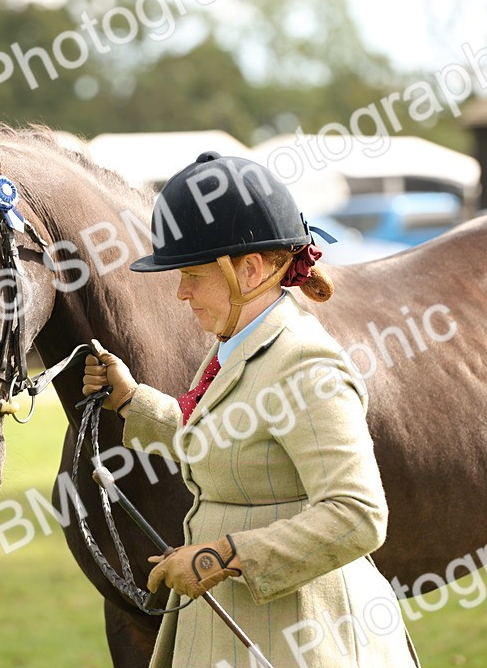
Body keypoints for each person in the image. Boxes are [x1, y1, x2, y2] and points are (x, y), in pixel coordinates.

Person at [84, 152, 419, 667]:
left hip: (302, 638)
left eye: (193, 274)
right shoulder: (235, 347)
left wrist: (225, 555)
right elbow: (223, 446)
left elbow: (359, 514)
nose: (181, 292)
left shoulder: (305, 364)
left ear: (250, 269)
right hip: (237, 628)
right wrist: (131, 400)